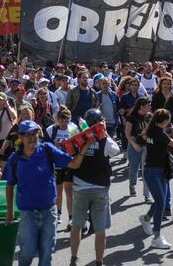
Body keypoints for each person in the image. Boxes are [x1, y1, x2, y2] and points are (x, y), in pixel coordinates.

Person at [3, 120, 92, 266]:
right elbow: (9, 185)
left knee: (46, 253)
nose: (32, 137)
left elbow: (74, 164)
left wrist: (84, 148)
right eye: (27, 135)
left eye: (34, 133)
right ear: (20, 137)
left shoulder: (47, 150)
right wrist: (9, 212)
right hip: (27, 212)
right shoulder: (15, 159)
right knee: (27, 251)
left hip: (49, 211)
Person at [69, 108, 121, 266]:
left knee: (77, 225)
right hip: (100, 188)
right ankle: (99, 262)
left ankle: (73, 258)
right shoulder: (104, 139)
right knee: (100, 229)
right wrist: (104, 134)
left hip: (79, 187)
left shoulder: (78, 138)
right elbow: (116, 151)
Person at [138, 108, 173, 249]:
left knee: (159, 199)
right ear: (166, 121)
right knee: (161, 201)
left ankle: (146, 218)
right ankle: (156, 237)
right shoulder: (159, 132)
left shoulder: (151, 130)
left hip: (160, 170)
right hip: (153, 171)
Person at [44, 106, 78, 227]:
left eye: (67, 120)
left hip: (69, 162)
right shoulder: (50, 130)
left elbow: (79, 145)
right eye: (62, 120)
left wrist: (70, 145)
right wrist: (55, 144)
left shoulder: (73, 128)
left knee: (69, 191)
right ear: (57, 119)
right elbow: (45, 146)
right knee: (58, 191)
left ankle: (71, 217)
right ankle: (58, 213)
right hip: (56, 164)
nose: (64, 123)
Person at [124, 96, 152, 201]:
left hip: (146, 147)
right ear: (141, 107)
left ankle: (147, 195)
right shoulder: (131, 117)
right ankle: (132, 185)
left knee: (146, 171)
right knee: (133, 168)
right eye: (148, 106)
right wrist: (134, 144)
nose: (150, 107)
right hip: (134, 146)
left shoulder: (149, 116)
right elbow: (127, 134)